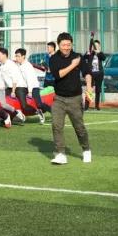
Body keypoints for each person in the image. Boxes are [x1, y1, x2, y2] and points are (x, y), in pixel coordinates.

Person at [48, 32, 92, 165]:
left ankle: (86, 149)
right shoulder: (54, 59)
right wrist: (73, 65)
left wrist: (89, 87)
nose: (66, 47)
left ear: (71, 44)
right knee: (56, 126)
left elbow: (87, 73)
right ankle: (60, 154)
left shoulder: (77, 57)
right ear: (58, 45)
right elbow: (58, 74)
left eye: (68, 45)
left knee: (79, 127)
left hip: (75, 99)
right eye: (63, 45)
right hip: (59, 99)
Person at [0, 46, 26, 124]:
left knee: (5, 103)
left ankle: (17, 113)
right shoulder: (1, 66)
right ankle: (6, 116)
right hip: (9, 87)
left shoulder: (11, 64)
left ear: (4, 55)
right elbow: (2, 80)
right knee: (1, 102)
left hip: (17, 86)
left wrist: (13, 91)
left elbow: (14, 79)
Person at [16, 48, 45, 124]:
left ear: (23, 56)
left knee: (39, 104)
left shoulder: (27, 66)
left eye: (18, 56)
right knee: (24, 105)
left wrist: (30, 91)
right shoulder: (19, 65)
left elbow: (29, 79)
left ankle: (48, 110)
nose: (16, 58)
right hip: (25, 87)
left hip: (34, 86)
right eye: (16, 56)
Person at [82, 37, 106, 111]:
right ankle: (86, 106)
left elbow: (104, 58)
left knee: (98, 90)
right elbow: (83, 58)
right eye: (94, 45)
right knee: (89, 89)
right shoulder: (90, 53)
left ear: (99, 46)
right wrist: (87, 54)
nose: (95, 47)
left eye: (96, 46)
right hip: (91, 74)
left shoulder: (100, 53)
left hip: (99, 74)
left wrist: (98, 52)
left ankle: (97, 106)